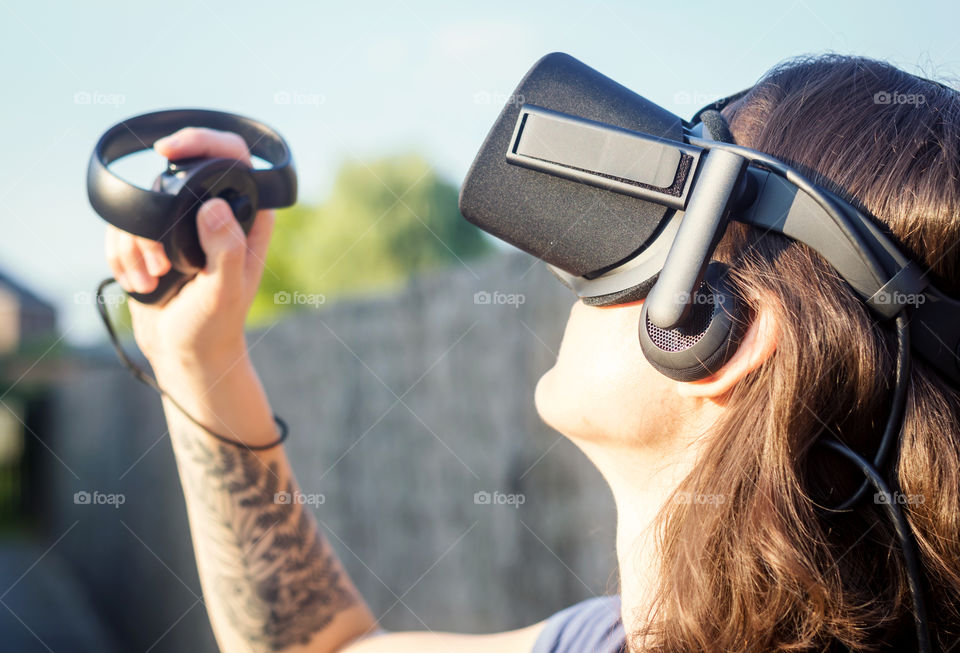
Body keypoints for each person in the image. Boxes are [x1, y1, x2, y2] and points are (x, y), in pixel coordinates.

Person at [104, 54, 960, 652]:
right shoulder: (603, 640)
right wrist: (201, 361)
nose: (579, 268)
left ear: (709, 325)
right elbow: (322, 647)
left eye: (658, 214)